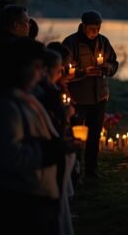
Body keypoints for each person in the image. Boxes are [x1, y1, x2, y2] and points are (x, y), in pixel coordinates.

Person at [0, 39, 71, 234]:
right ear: (19, 67)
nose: (42, 73)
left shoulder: (27, 98)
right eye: (38, 66)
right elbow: (10, 156)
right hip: (22, 200)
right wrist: (53, 149)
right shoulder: (5, 107)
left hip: (37, 195)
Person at [63, 11, 118, 177]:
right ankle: (75, 171)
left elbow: (114, 61)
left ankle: (91, 170)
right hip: (79, 98)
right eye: (91, 28)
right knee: (77, 137)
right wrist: (83, 72)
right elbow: (64, 71)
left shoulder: (103, 42)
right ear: (83, 26)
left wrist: (109, 68)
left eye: (97, 29)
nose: (94, 32)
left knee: (94, 136)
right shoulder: (71, 43)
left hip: (99, 96)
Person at [37, 47, 77, 235]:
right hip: (48, 158)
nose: (62, 73)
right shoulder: (43, 93)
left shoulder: (50, 90)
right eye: (59, 69)